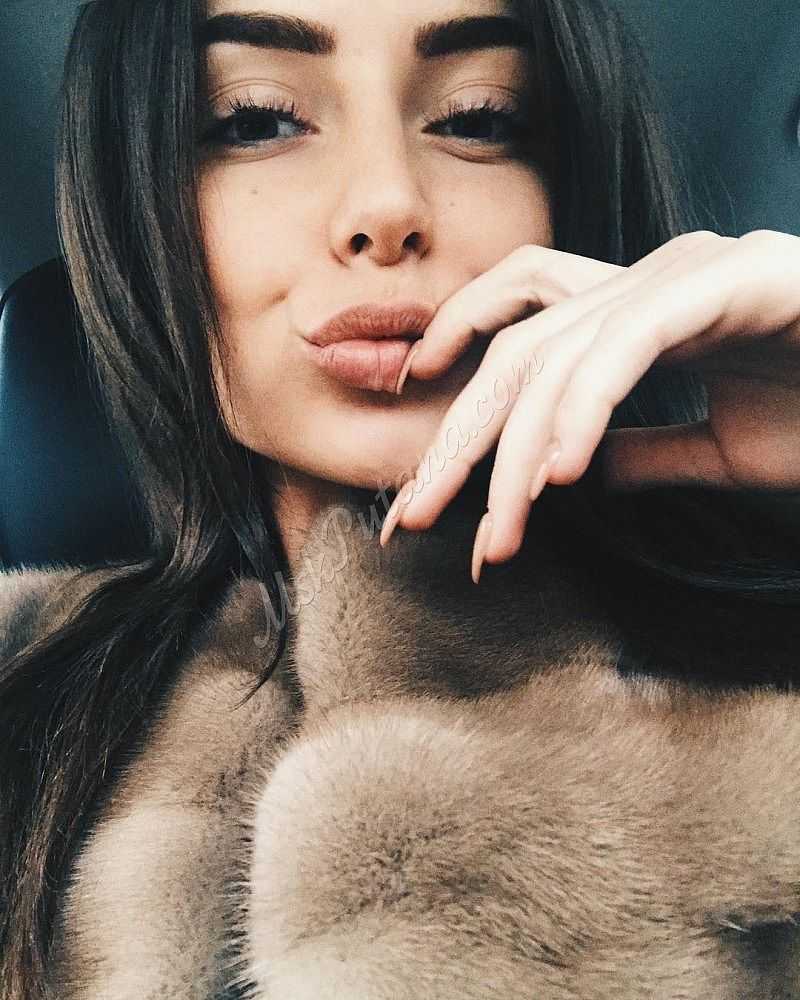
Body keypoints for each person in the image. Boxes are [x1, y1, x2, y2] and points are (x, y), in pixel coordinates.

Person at [1, 0, 799, 996]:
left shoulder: (771, 666)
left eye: (477, 117)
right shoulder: (21, 675)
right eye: (255, 119)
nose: (387, 205)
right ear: (134, 215)